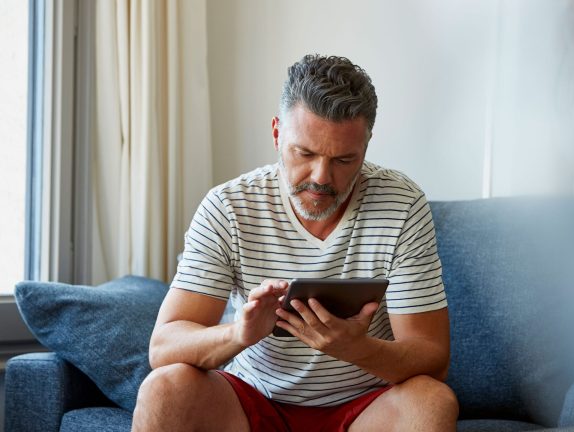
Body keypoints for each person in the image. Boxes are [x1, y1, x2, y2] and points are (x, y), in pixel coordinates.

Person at [132, 54, 458, 431]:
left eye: (343, 159)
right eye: (304, 153)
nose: (321, 178)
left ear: (366, 148)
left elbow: (433, 359)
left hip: (366, 411)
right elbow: (164, 347)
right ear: (276, 134)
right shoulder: (229, 206)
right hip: (251, 403)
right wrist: (240, 333)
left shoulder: (401, 205)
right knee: (164, 389)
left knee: (432, 402)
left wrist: (356, 349)